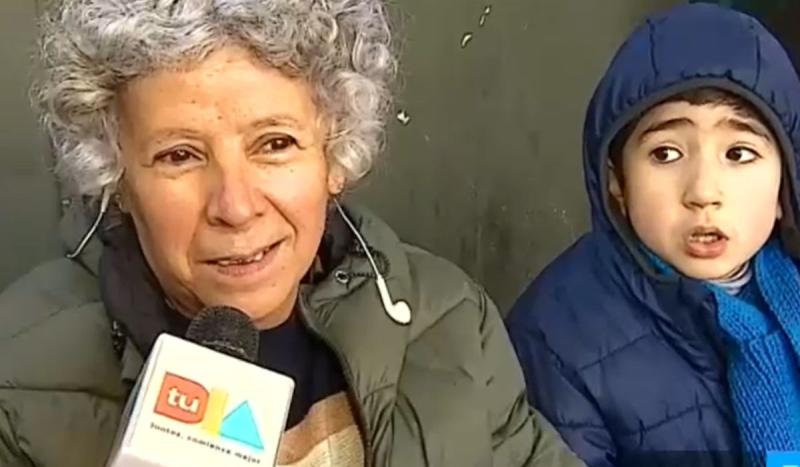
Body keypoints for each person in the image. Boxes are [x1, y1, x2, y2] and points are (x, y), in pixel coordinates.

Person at [0, 1, 584, 466]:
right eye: (179, 155)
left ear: (335, 153)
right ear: (118, 180)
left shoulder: (450, 320)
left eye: (275, 143)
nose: (236, 205)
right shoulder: (18, 378)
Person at [506, 4, 800, 467]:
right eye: (665, 153)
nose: (704, 192)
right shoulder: (556, 338)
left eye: (739, 153)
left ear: (786, 185)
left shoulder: (790, 292)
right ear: (616, 183)